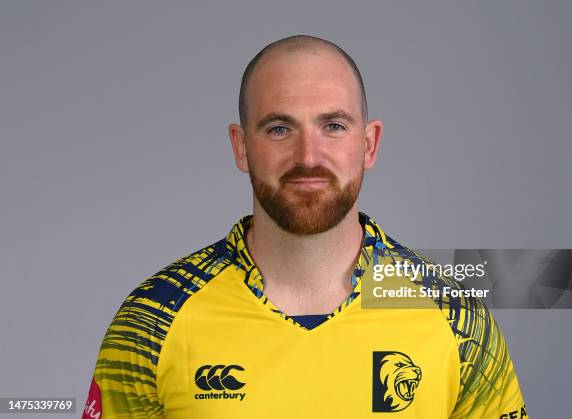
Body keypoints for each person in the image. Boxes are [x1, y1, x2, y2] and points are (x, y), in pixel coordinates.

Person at [82, 35, 528, 418]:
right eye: (279, 128)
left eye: (333, 125)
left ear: (368, 144)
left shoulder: (455, 317)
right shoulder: (153, 319)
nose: (308, 156)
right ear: (241, 148)